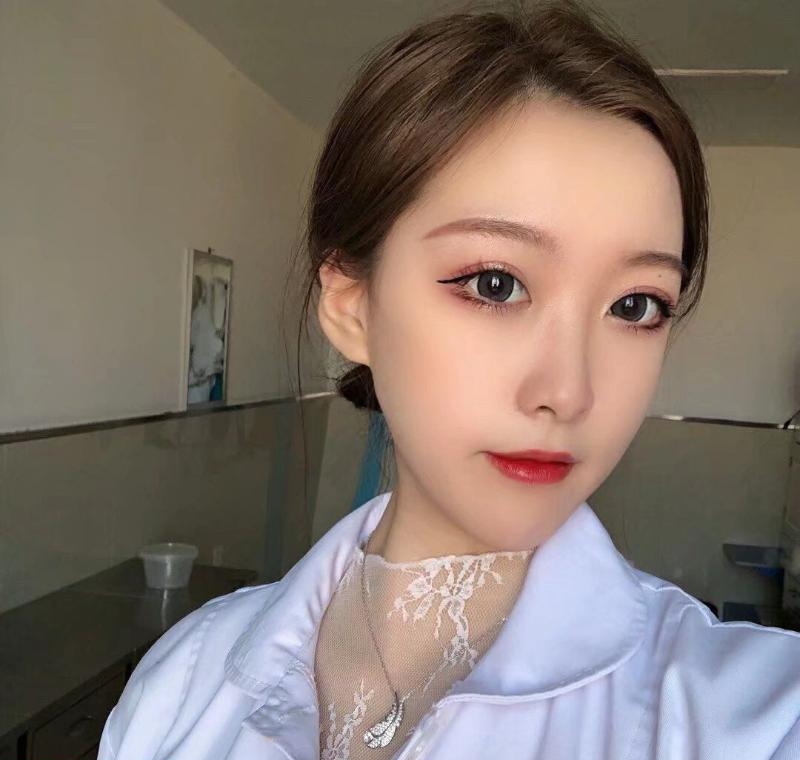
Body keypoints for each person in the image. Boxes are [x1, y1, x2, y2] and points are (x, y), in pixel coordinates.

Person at [98, 1, 800, 758]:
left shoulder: (739, 713)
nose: (568, 393)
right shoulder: (183, 682)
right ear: (352, 305)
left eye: (636, 305)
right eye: (496, 284)